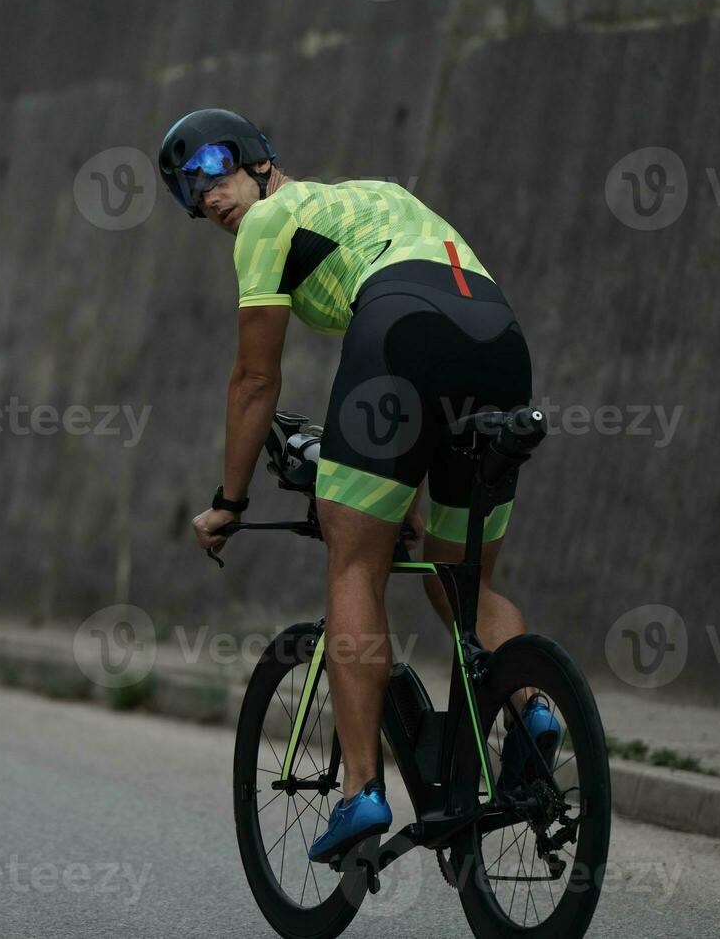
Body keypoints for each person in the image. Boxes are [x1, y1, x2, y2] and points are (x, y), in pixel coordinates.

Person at [160, 108, 558, 864]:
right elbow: (425, 368)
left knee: (354, 561)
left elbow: (254, 380)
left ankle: (361, 795)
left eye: (214, 171)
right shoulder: (376, 197)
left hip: (403, 332)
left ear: (259, 162)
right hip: (500, 342)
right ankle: (534, 708)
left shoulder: (268, 222)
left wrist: (231, 502)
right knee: (457, 579)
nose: (207, 197)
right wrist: (398, 500)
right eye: (189, 192)